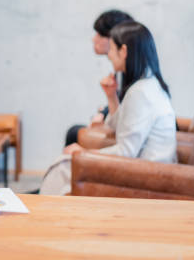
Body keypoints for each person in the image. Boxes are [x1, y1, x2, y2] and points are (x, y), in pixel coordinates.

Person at [41, 21, 176, 195]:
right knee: (67, 162)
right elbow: (120, 127)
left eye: (111, 49)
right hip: (149, 168)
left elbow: (126, 151)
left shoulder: (141, 92)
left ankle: (43, 209)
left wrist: (86, 153)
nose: (109, 55)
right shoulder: (148, 85)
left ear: (124, 51)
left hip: (146, 173)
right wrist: (111, 96)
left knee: (65, 164)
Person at [64, 9, 133, 146]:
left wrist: (105, 114)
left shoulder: (131, 74)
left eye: (99, 34)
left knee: (73, 133)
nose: (94, 39)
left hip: (129, 143)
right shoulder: (123, 70)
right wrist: (105, 112)